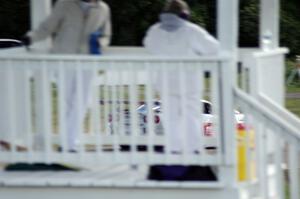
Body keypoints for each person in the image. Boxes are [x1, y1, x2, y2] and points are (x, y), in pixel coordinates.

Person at [143, 0, 220, 181]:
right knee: (191, 118)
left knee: (171, 118)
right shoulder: (191, 31)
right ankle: (192, 153)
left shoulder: (155, 31)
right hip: (189, 82)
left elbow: (148, 45)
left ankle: (174, 152)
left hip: (164, 81)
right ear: (184, 14)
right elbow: (214, 49)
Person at [21, 0, 112, 151]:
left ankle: (68, 143)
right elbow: (48, 26)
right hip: (63, 58)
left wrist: (99, 44)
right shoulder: (65, 3)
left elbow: (106, 34)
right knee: (69, 101)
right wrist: (31, 38)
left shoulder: (103, 8)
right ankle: (68, 141)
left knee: (81, 100)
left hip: (88, 60)